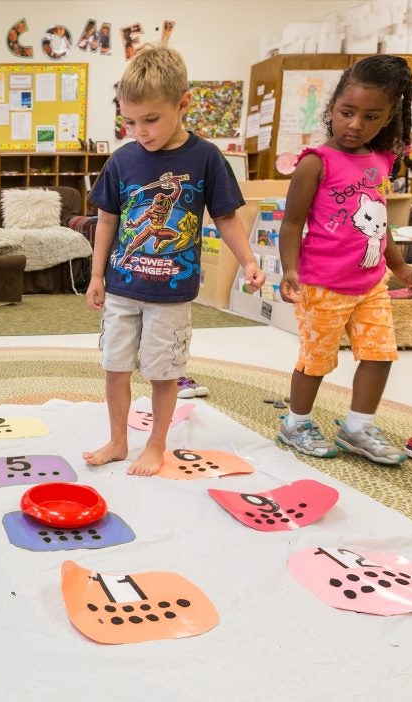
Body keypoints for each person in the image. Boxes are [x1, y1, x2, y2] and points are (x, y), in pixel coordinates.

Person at [83, 45, 265, 477]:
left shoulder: (205, 158)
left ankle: (157, 444)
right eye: (130, 121)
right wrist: (95, 275)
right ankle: (118, 440)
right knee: (115, 367)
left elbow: (226, 217)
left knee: (163, 374)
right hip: (122, 288)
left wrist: (250, 261)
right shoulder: (122, 159)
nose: (140, 131)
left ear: (183, 103)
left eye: (151, 120)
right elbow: (106, 219)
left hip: (171, 292)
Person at [277, 54, 412, 465]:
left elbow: (380, 224)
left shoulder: (381, 163)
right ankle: (296, 423)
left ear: (389, 118)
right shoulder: (315, 163)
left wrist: (400, 267)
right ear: (331, 110)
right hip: (322, 284)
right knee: (316, 361)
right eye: (347, 112)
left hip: (371, 285)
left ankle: (357, 427)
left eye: (370, 116)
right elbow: (291, 225)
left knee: (380, 355)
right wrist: (289, 269)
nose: (355, 124)